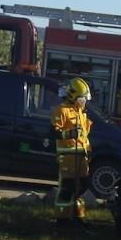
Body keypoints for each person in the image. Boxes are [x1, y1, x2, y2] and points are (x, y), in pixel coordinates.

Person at [51, 77, 93, 227]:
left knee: (81, 186)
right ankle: (62, 220)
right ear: (73, 96)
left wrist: (88, 150)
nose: (84, 102)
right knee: (67, 188)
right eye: (82, 98)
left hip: (81, 156)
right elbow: (54, 132)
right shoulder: (62, 110)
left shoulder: (81, 112)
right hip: (68, 156)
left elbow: (84, 135)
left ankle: (78, 216)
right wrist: (69, 134)